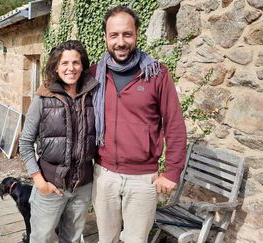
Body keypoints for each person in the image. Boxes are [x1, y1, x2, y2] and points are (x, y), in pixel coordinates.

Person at [90, 6, 187, 243]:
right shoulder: (93, 74)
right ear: (105, 37)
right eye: (114, 35)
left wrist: (172, 173)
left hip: (143, 179)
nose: (121, 42)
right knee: (106, 239)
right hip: (104, 174)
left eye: (127, 34)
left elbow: (174, 125)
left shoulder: (157, 74)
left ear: (137, 34)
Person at [19, 40, 98, 243]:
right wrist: (39, 180)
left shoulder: (93, 95)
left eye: (76, 62)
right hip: (50, 186)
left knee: (72, 239)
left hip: (82, 186)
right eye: (64, 63)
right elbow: (25, 142)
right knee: (41, 238)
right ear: (56, 66)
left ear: (83, 65)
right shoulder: (43, 97)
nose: (70, 68)